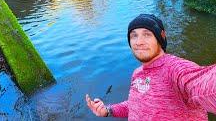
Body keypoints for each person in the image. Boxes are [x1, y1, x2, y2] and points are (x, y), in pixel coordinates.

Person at [86, 14, 216, 120]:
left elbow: (203, 85)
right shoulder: (138, 73)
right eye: (134, 35)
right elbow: (135, 105)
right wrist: (108, 111)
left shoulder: (175, 69)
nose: (139, 42)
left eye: (147, 34)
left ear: (160, 39)